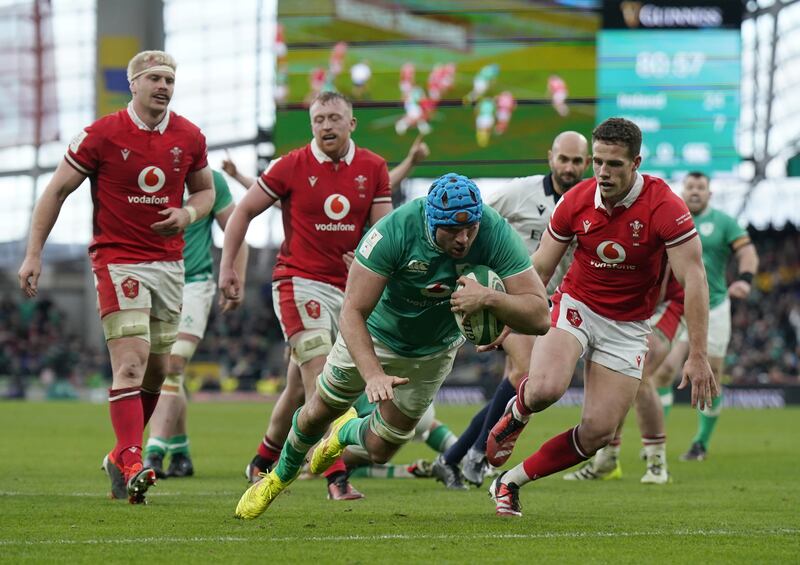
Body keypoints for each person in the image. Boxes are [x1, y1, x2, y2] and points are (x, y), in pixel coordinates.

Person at [232, 172, 551, 520]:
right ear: (431, 220)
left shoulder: (493, 231)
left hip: (434, 351)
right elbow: (353, 312)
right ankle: (277, 478)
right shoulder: (394, 231)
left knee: (382, 449)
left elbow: (539, 316)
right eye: (452, 231)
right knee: (317, 411)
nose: (463, 239)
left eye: (470, 229)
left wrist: (489, 298)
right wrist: (372, 375)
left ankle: (345, 432)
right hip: (376, 335)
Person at [485, 117, 716, 517]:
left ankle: (509, 481)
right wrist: (510, 312)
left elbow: (694, 278)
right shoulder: (574, 201)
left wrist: (697, 354)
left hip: (628, 326)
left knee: (597, 434)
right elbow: (539, 269)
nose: (603, 173)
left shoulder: (665, 205)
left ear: (636, 163)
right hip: (577, 305)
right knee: (544, 389)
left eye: (614, 164)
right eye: (598, 162)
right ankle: (517, 414)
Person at [17, 50, 215, 504]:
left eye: (169, 78)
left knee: (157, 373)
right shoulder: (101, 135)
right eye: (154, 79)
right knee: (130, 362)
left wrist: (187, 213)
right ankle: (131, 462)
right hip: (117, 259)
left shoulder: (189, 136)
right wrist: (33, 254)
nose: (164, 86)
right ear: (134, 84)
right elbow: (56, 191)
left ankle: (117, 456)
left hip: (169, 263)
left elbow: (204, 191)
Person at [220, 92, 393, 500]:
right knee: (320, 374)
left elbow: (383, 232)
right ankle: (335, 476)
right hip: (298, 283)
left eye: (335, 118)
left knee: (298, 390)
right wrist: (228, 265)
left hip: (349, 292)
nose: (326, 126)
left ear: (352, 124)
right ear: (311, 125)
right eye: (319, 120)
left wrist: (370, 257)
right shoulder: (291, 165)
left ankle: (263, 459)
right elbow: (243, 210)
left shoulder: (374, 167)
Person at [430, 131, 590, 490]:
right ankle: (477, 456)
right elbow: (475, 221)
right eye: (563, 159)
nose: (569, 167)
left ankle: (452, 457)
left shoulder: (587, 203)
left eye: (577, 161)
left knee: (515, 381)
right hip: (508, 299)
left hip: (548, 305)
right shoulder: (520, 192)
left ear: (587, 163)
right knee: (523, 375)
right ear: (551, 157)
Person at [143, 170, 249, 478]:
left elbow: (237, 232)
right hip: (152, 281)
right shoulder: (147, 178)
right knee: (162, 370)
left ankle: (154, 452)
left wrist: (235, 276)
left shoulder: (211, 181)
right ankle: (181, 453)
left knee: (173, 364)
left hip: (193, 283)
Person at [655, 172, 759, 461]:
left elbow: (747, 252)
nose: (695, 191)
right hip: (678, 306)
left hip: (713, 307)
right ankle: (657, 440)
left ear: (709, 193)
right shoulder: (670, 218)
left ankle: (700, 442)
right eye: (690, 186)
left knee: (710, 377)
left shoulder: (724, 222)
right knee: (663, 371)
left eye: (701, 187)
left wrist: (746, 279)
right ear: (682, 191)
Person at [563, 271, 685, 484]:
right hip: (628, 302)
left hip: (664, 303)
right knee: (618, 377)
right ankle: (607, 460)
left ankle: (657, 462)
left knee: (640, 374)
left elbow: (660, 284)